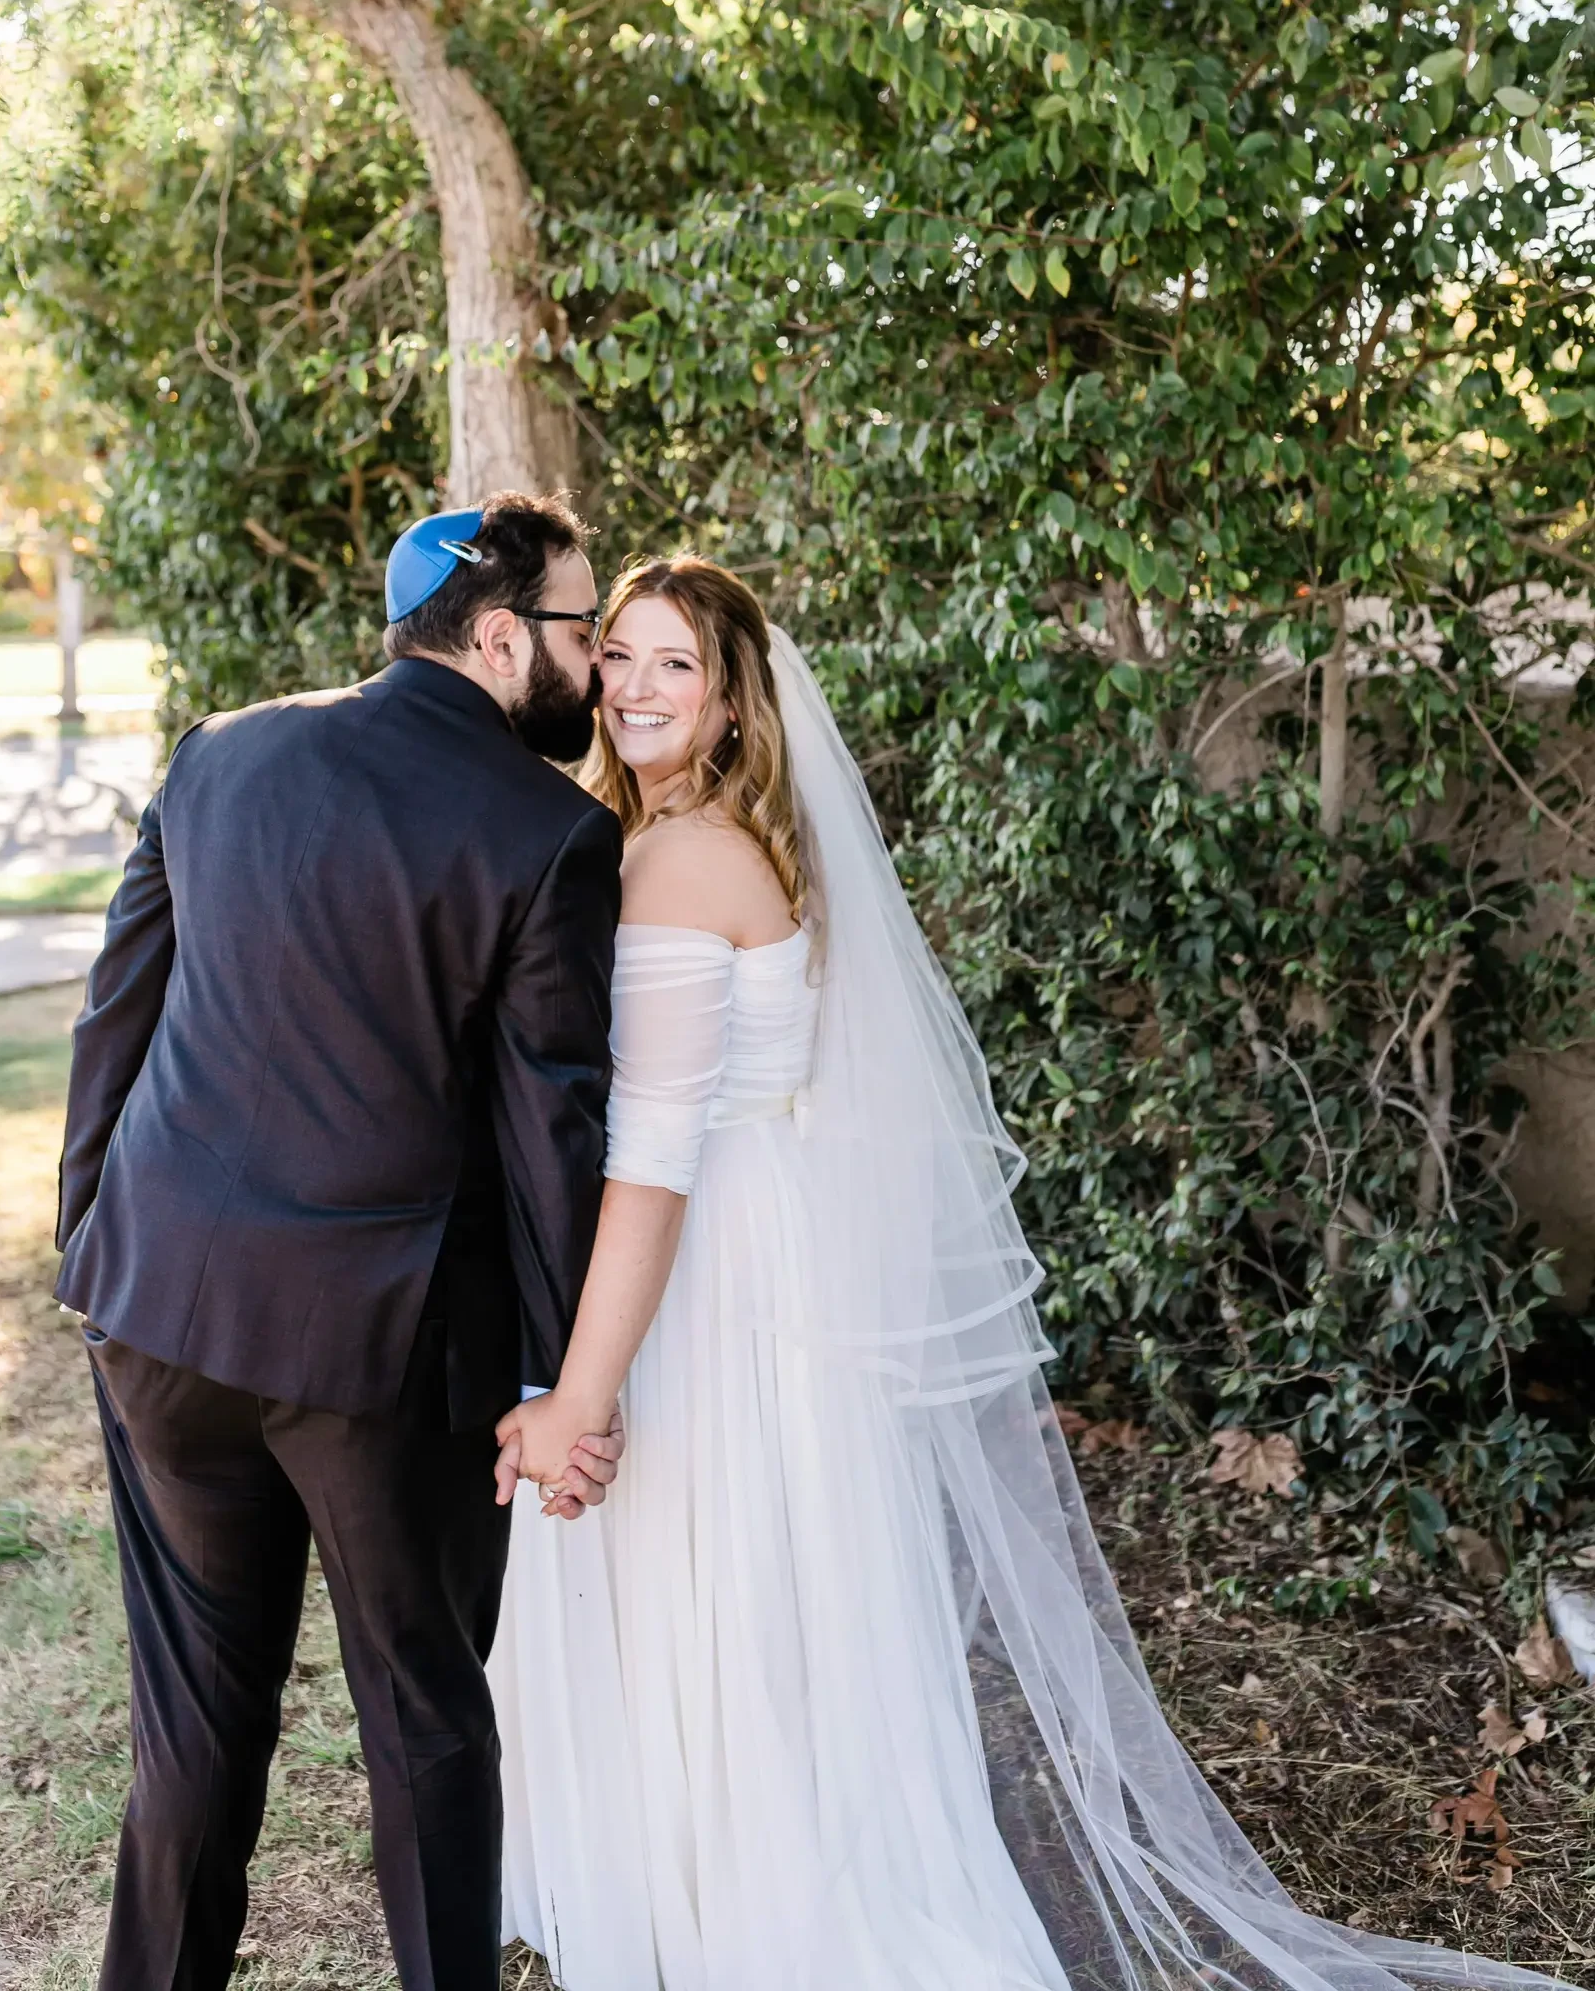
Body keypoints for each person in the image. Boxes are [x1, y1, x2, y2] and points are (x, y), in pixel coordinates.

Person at [488, 557, 1563, 1991]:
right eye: (617, 655)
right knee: (753, 1598)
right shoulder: (715, 835)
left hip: (700, 1275)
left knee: (714, 1584)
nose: (630, 688)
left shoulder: (684, 859)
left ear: (739, 700)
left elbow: (660, 1157)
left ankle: (723, 1902)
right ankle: (703, 1869)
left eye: (673, 665)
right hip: (747, 1253)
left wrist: (585, 1392)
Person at [54, 492, 624, 1991]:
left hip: (162, 1317)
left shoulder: (221, 753)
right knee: (426, 1718)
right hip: (380, 1362)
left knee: (190, 1731)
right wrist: (564, 1382)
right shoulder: (553, 834)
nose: (595, 658)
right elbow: (552, 1137)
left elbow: (118, 1013)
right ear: (503, 639)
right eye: (579, 626)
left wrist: (90, 1253)